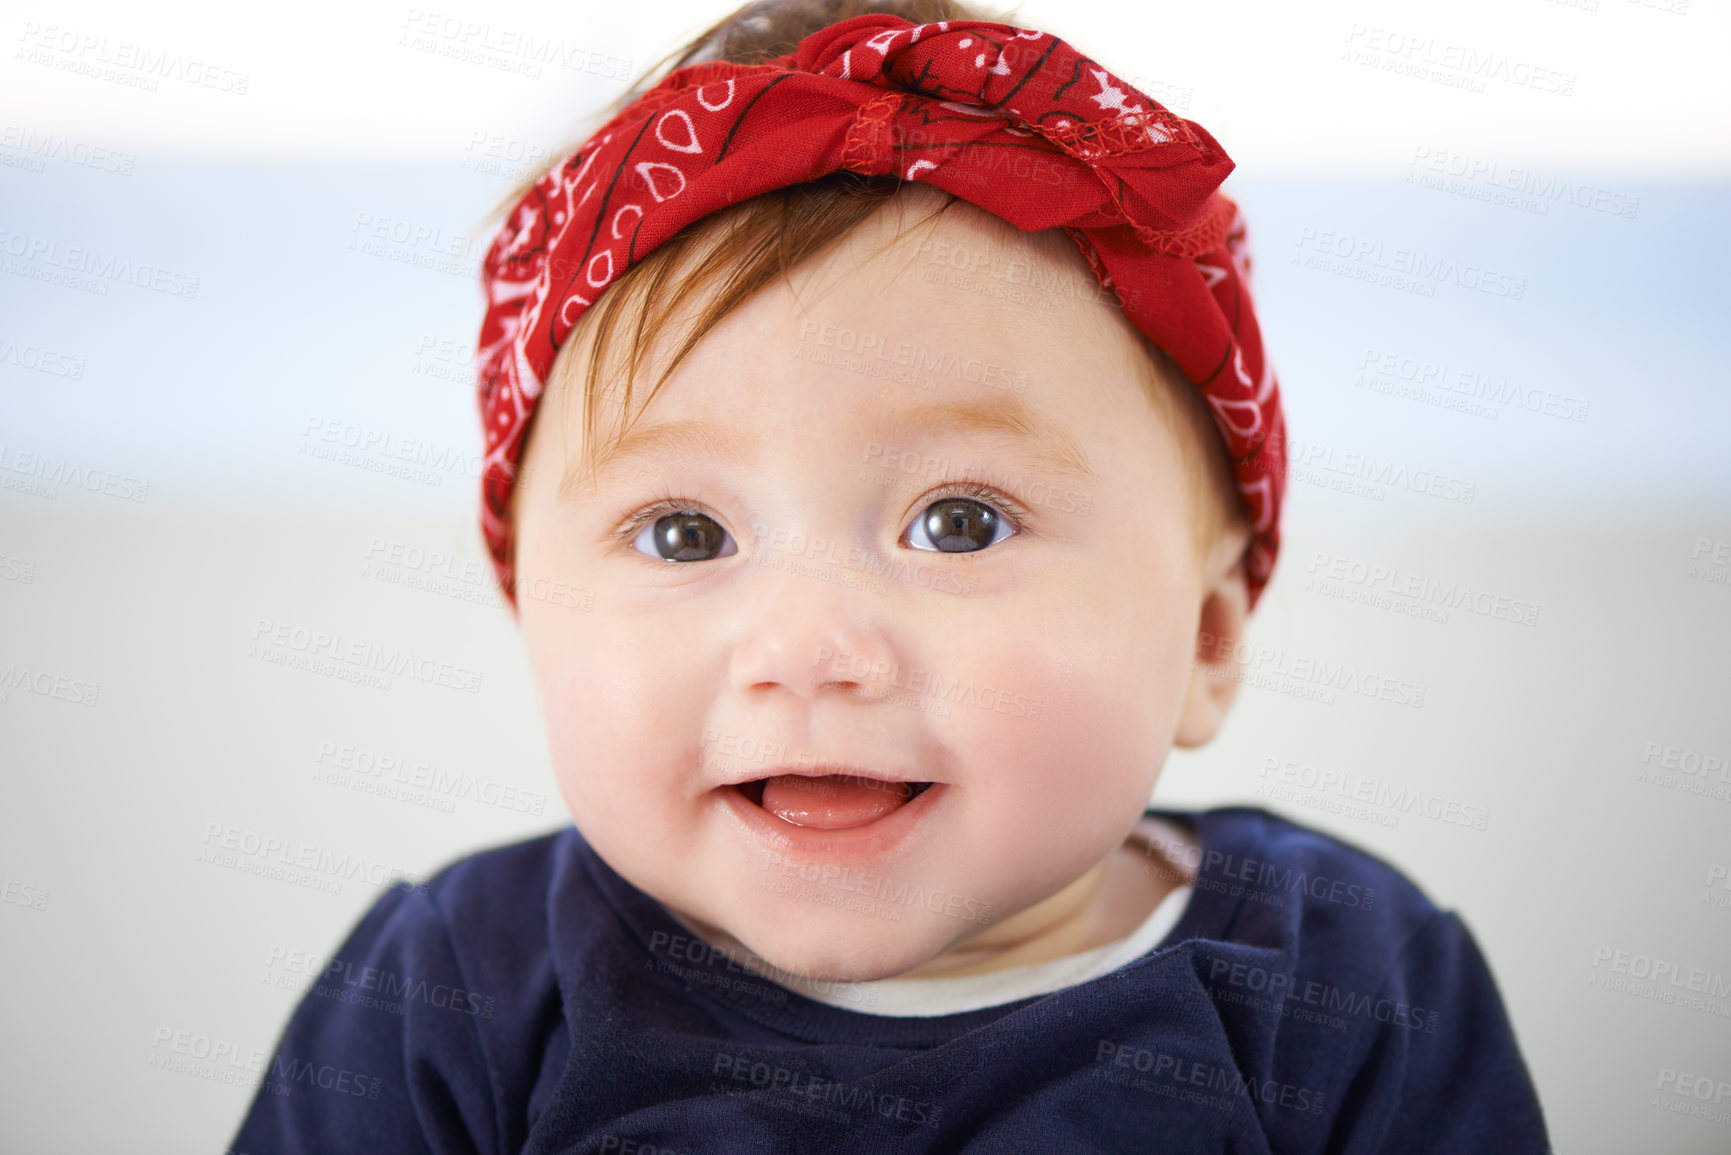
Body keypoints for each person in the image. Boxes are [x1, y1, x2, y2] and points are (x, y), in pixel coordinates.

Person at [231, 1, 1550, 1150]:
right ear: (531, 612)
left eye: (961, 523)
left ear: (1206, 638)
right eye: (686, 535)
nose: (808, 645)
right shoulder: (460, 992)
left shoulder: (1346, 982)